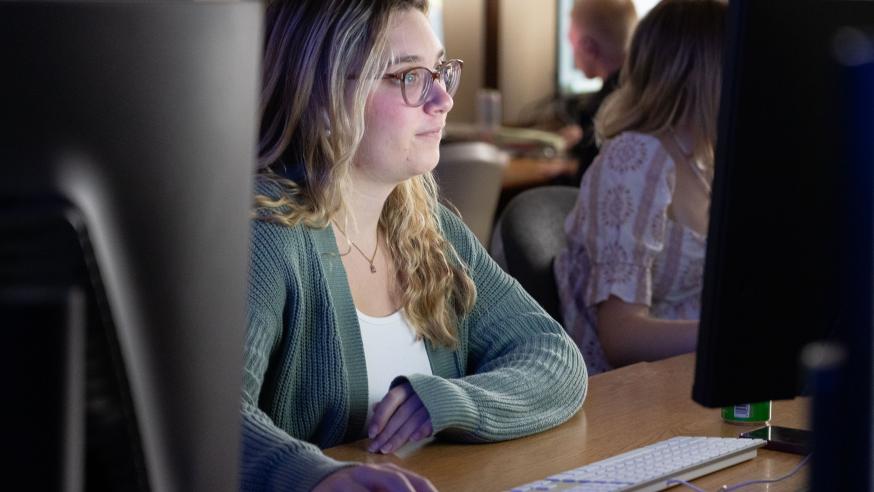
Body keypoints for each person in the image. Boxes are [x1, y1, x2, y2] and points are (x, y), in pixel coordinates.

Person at [241, 1, 587, 490]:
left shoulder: (428, 227)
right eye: (409, 76)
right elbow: (211, 416)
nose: (443, 99)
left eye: (441, 71)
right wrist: (319, 479)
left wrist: (450, 402)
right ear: (322, 96)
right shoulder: (268, 234)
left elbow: (554, 357)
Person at [554, 0, 728, 375]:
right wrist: (731, 337)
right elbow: (620, 336)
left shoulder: (705, 162)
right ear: (708, 74)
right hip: (634, 396)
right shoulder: (637, 159)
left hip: (692, 379)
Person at [560, 0, 638, 184]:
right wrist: (583, 139)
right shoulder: (643, 92)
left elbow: (584, 188)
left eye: (572, 42)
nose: (572, 53)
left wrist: (564, 172)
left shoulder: (603, 110)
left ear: (588, 47)